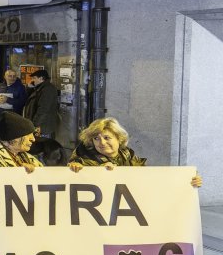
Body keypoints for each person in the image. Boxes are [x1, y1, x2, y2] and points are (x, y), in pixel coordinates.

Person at [69, 117, 204, 187]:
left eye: (107, 137)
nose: (101, 143)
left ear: (119, 138)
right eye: (96, 139)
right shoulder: (84, 160)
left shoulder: (130, 156)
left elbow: (150, 181)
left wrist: (186, 180)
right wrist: (91, 172)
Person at [23, 68, 60, 136]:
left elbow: (43, 110)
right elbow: (29, 98)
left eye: (34, 78)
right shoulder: (39, 88)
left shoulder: (48, 89)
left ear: (41, 78)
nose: (32, 80)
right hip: (39, 126)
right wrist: (29, 88)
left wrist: (34, 125)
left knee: (42, 145)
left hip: (42, 127)